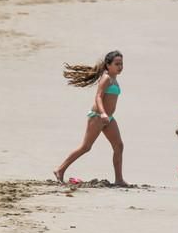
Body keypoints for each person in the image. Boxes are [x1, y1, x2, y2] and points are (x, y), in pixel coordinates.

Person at [53, 50, 128, 186]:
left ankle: (119, 179)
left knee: (119, 146)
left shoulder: (114, 78)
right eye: (117, 64)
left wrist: (107, 115)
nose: (120, 67)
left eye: (121, 64)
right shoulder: (106, 78)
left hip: (109, 118)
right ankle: (60, 169)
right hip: (98, 116)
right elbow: (98, 96)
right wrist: (103, 113)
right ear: (108, 65)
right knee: (86, 147)